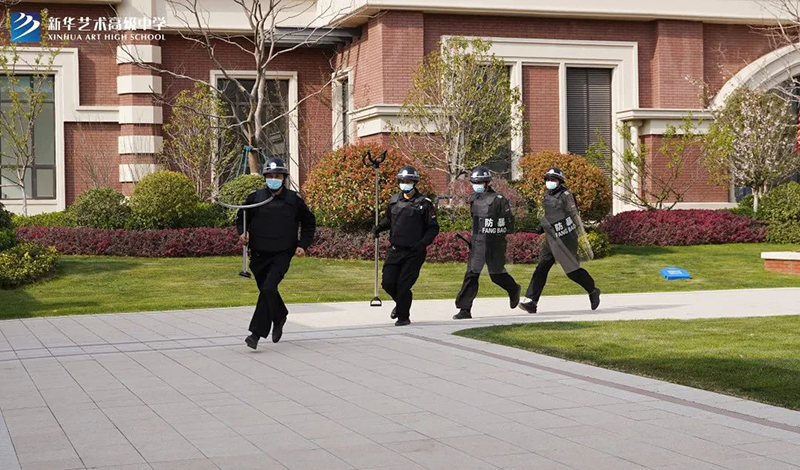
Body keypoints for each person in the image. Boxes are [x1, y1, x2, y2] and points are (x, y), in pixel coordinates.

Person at [237, 157, 316, 349]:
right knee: (267, 291)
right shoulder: (255, 197)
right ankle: (280, 315)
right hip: (258, 254)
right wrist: (242, 233)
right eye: (270, 176)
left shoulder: (294, 200)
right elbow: (242, 217)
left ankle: (255, 334)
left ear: (284, 178)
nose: (274, 179)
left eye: (277, 176)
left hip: (282, 253)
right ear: (265, 177)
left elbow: (309, 222)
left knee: (268, 288)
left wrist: (303, 245)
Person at [519, 167, 600, 313]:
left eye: (553, 179)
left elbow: (571, 216)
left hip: (565, 238)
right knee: (541, 269)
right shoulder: (547, 194)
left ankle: (592, 290)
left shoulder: (566, 196)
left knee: (572, 272)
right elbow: (550, 214)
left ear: (560, 181)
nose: (550, 182)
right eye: (548, 179)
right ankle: (531, 301)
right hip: (551, 239)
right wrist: (542, 226)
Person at [372, 166, 439, 326]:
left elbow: (433, 228)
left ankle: (403, 317)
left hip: (414, 252)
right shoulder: (394, 201)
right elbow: (389, 220)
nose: (405, 184)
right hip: (395, 250)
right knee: (388, 283)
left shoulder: (424, 203)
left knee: (403, 285)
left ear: (414, 182)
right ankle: (401, 304)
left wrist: (422, 243)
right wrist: (379, 228)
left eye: (408, 181)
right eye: (402, 181)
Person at [453, 166, 521, 319]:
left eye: (480, 182)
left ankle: (513, 288)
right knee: (471, 274)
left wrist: (497, 234)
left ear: (487, 183)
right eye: (474, 182)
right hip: (478, 243)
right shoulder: (473, 199)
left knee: (496, 275)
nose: (476, 185)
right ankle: (464, 309)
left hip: (495, 243)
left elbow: (509, 223)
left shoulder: (499, 200)